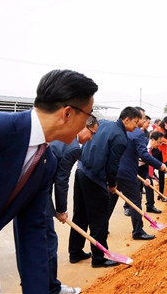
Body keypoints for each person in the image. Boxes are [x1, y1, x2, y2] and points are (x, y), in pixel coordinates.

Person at [0, 69, 98, 294]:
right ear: (68, 113)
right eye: (87, 115)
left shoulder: (45, 163)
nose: (86, 125)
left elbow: (33, 232)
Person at [68, 107, 141, 268]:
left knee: (80, 215)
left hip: (81, 171)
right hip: (94, 177)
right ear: (126, 120)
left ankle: (75, 252)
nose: (137, 125)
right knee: (99, 220)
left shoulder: (103, 123)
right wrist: (112, 184)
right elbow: (112, 165)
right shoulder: (121, 138)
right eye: (136, 122)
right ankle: (99, 258)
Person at [44, 120, 98, 294]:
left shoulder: (59, 134)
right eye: (92, 133)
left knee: (33, 242)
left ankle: (40, 285)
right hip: (37, 194)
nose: (91, 138)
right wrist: (61, 209)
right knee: (48, 241)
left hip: (31, 189)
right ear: (82, 127)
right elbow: (61, 181)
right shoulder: (73, 147)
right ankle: (52, 288)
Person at [117, 107, 167, 241]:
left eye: (143, 118)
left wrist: (147, 177)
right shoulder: (138, 135)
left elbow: (143, 162)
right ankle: (138, 231)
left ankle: (102, 229)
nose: (142, 120)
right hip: (126, 172)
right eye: (141, 118)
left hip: (116, 171)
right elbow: (144, 156)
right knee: (135, 200)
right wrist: (160, 165)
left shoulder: (124, 132)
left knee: (110, 200)